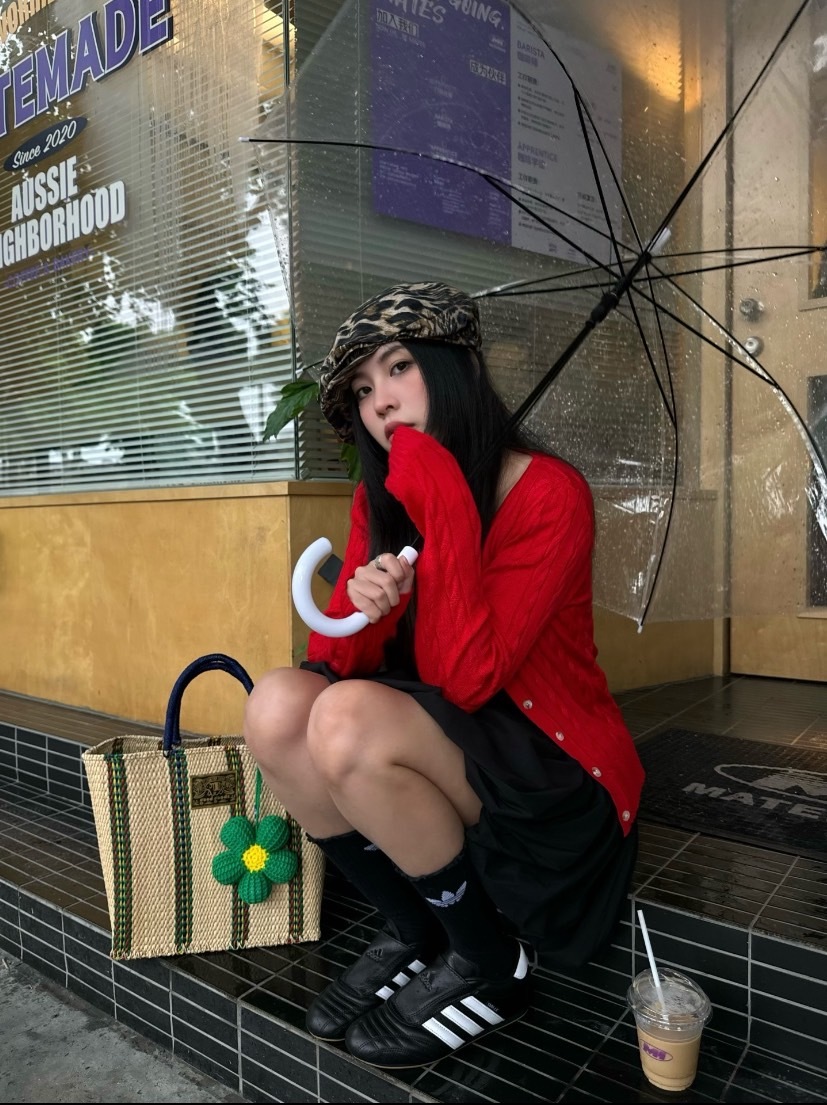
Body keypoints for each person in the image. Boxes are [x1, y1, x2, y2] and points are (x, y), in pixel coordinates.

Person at [243, 281, 645, 1068]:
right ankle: (414, 928)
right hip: (445, 729)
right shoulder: (383, 496)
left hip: (546, 760)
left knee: (345, 720)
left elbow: (469, 680)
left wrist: (449, 512)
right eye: (363, 390)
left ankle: (490, 960)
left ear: (454, 368)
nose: (382, 403)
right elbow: (336, 660)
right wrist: (368, 604)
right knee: (278, 705)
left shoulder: (548, 492)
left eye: (399, 368)